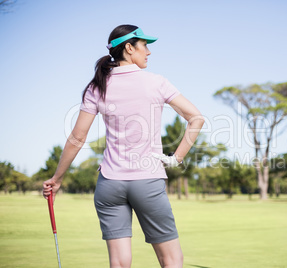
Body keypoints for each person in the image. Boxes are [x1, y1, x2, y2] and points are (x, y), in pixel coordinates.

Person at [42, 24, 204, 268]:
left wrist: (57, 178)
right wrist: (176, 158)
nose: (149, 52)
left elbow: (77, 138)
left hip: (109, 184)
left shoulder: (97, 85)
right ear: (129, 48)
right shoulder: (157, 82)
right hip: (147, 181)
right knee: (171, 260)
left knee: (119, 263)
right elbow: (197, 118)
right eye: (145, 46)